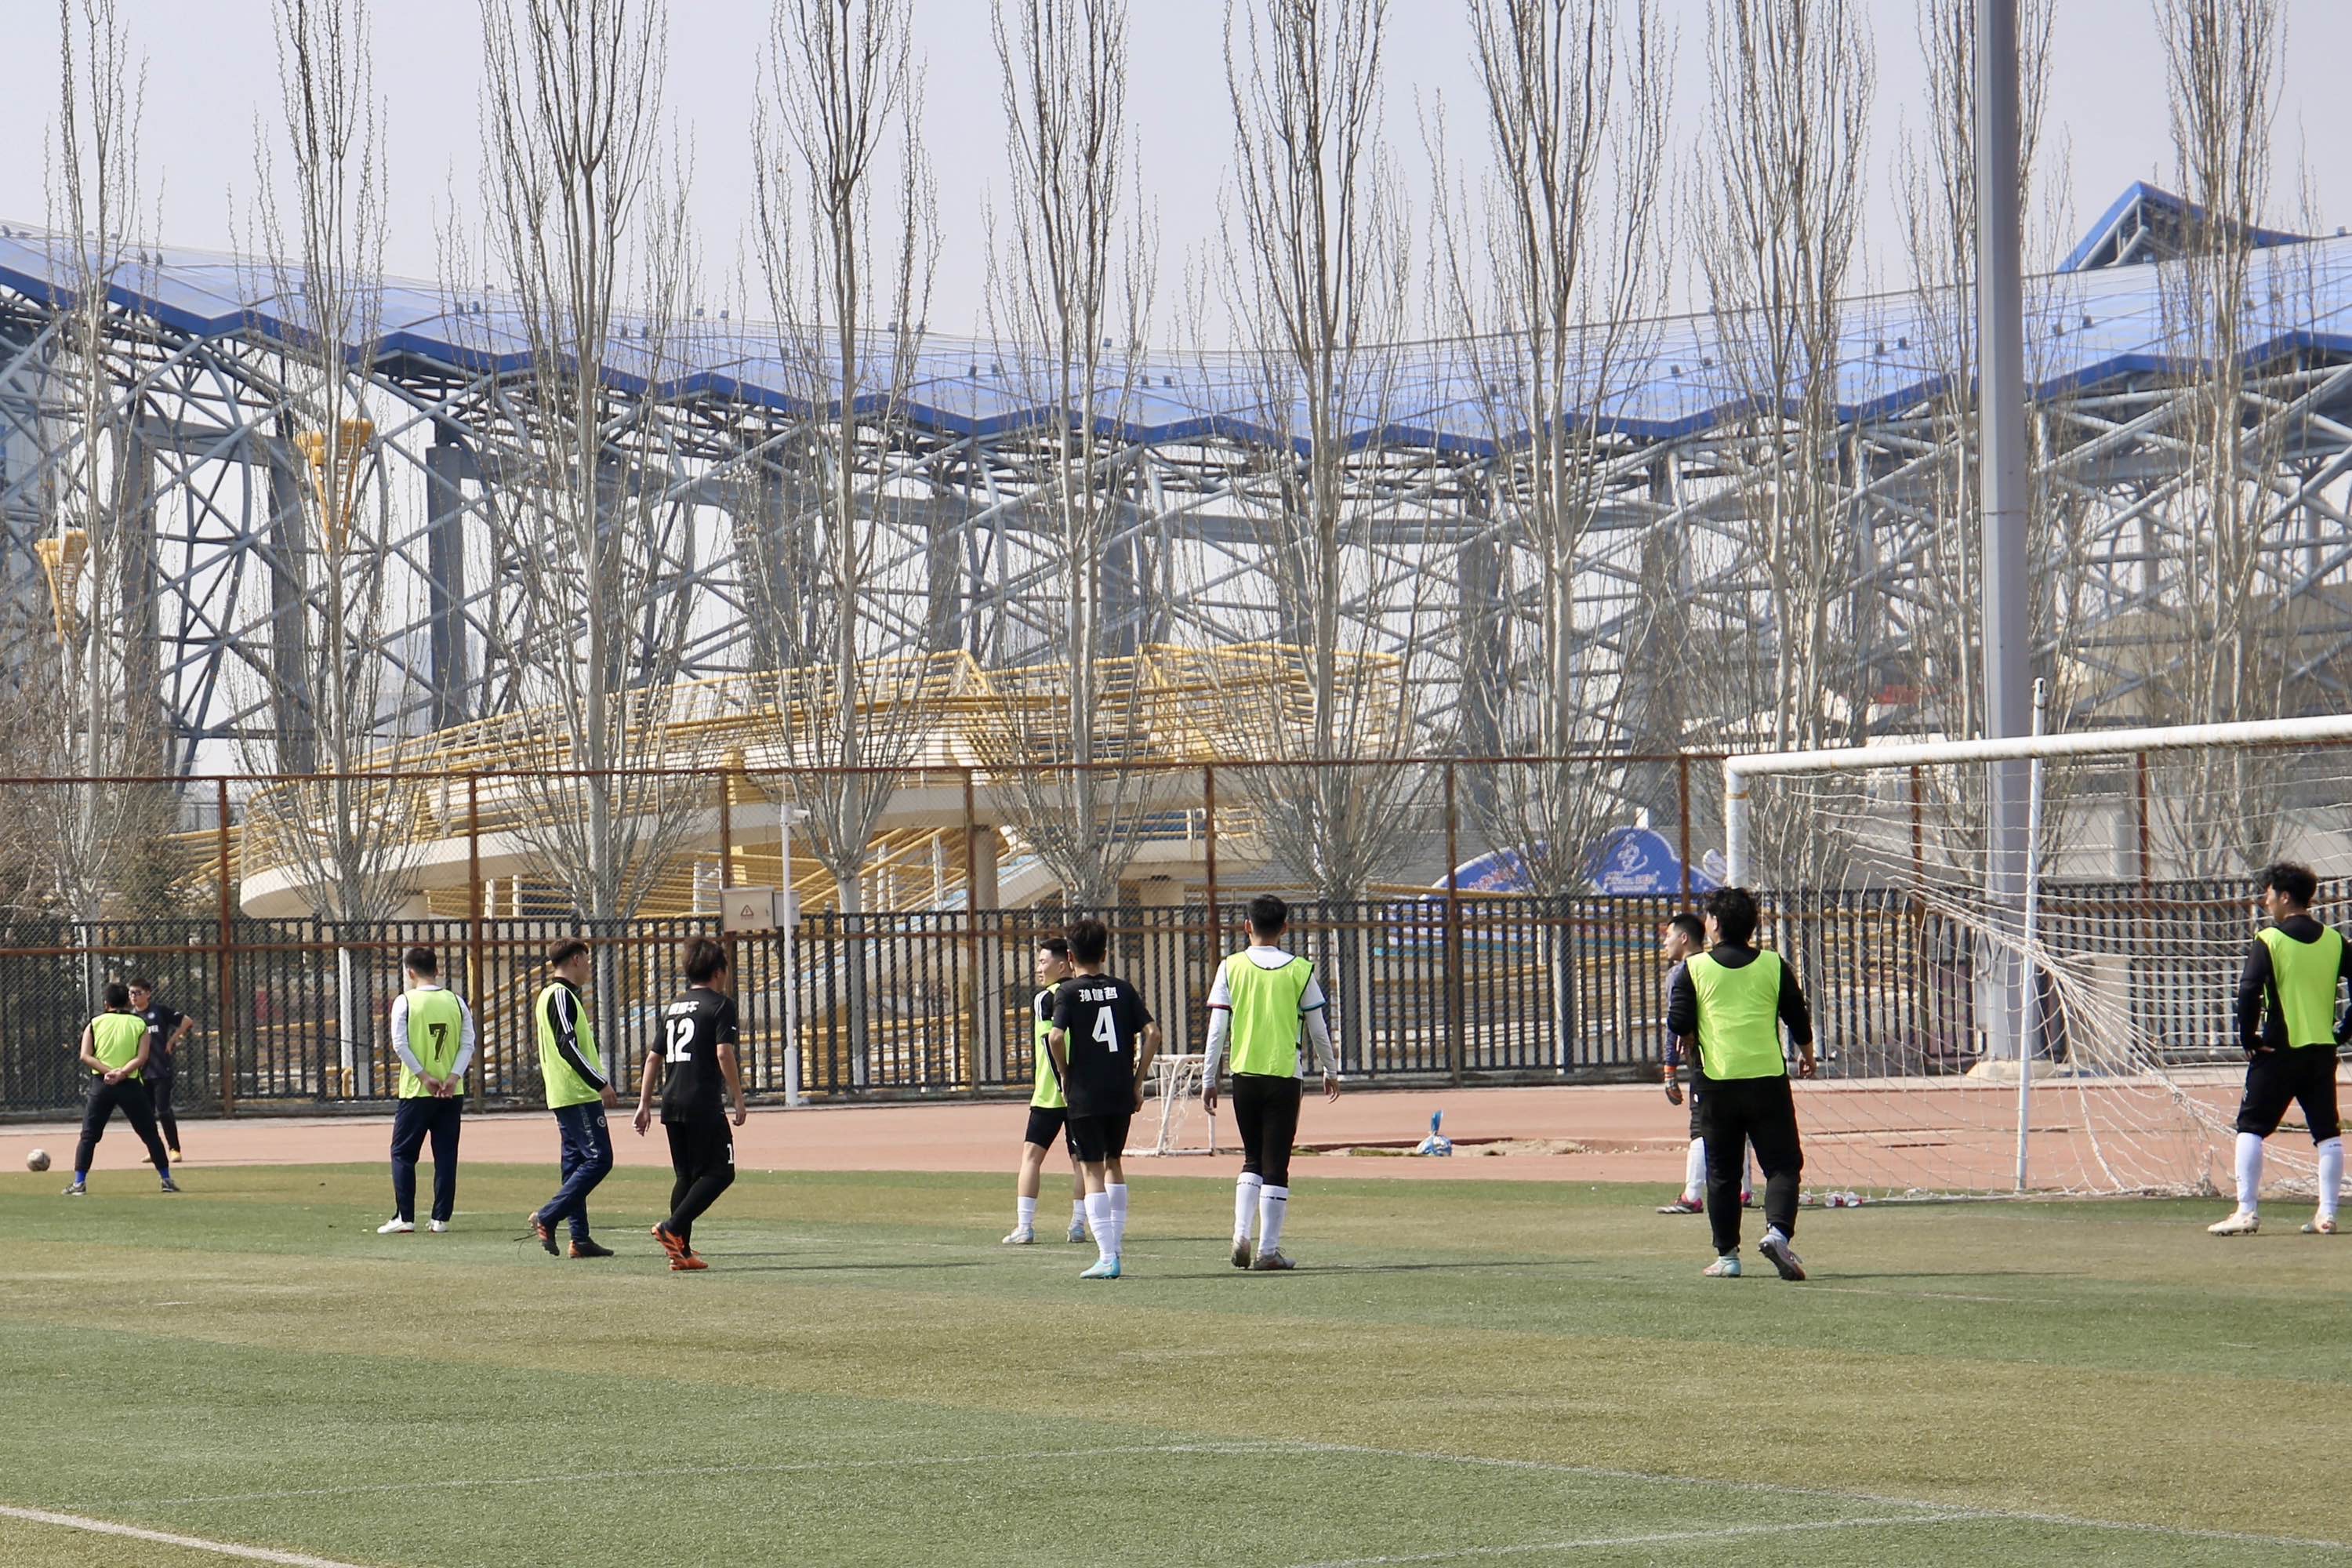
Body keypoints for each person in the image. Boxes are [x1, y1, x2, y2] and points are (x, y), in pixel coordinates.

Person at [1666, 886, 1815, 1280]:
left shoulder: (1695, 968)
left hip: (1716, 1081)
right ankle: (1777, 1233)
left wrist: (1690, 1035)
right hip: (1767, 1079)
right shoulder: (1772, 964)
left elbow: (1678, 1021)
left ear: (1714, 924)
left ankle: (1728, 1257)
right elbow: (1797, 1016)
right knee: (1782, 1165)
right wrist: (1808, 1054)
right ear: (1752, 925)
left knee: (1723, 1172)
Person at [2209, 861, 2349, 1237]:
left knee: (2250, 1127)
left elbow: (2248, 989)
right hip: (2321, 1052)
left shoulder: (2270, 939)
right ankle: (2327, 1214)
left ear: (2285, 896)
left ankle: (2246, 1211)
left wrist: (2248, 1038)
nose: (2265, 900)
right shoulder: (2335, 941)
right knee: (2327, 1132)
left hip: (2278, 1050)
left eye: (2268, 892)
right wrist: (2342, 1032)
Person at [1201, 894, 1340, 1271]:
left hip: (1244, 1074)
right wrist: (1330, 1070)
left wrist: (1209, 1077)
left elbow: (1217, 1029)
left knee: (1252, 1157)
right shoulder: (1300, 970)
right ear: (1285, 928)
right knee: (1276, 1163)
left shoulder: (1230, 966)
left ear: (1247, 926)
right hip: (1284, 1075)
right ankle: (1267, 1251)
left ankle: (1240, 1233)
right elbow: (1318, 1029)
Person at [1047, 917, 1160, 1280]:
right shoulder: (1123, 989)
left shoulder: (1068, 992)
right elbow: (1153, 1033)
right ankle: (1116, 1246)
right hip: (1119, 1089)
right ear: (1106, 954)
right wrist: (1138, 1081)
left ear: (1070, 957)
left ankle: (1108, 1256)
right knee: (1114, 1163)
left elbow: (1055, 1038)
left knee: (1091, 1167)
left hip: (1086, 1092)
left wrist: (1065, 1074)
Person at [637, 936, 747, 1271]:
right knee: (721, 1172)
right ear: (719, 971)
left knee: (685, 1176)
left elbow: (653, 1058)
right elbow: (723, 1052)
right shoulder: (721, 1005)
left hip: (671, 1102)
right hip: (702, 1101)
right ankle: (671, 1228)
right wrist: (738, 1096)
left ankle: (680, 1253)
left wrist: (644, 1104)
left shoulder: (674, 1006)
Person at [528, 940, 620, 1259]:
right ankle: (548, 1215)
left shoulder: (556, 995)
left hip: (567, 1093)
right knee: (599, 1159)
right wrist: (599, 1082)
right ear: (577, 959)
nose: (590, 968)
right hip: (576, 1092)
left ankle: (579, 1239)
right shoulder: (560, 995)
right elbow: (567, 1046)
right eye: (587, 961)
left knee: (575, 1164)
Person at [1657, 915, 1752, 1215]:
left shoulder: (1682, 972)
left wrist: (1670, 1068)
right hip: (1738, 1053)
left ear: (1684, 938)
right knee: (1739, 1121)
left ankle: (1692, 1195)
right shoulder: (1720, 965)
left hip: (1705, 1059)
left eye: (1669, 936)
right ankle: (1744, 1189)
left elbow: (1676, 1022)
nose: (1665, 943)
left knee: (1701, 1124)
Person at [380, 947, 475, 1236]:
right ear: (437, 969)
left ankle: (405, 1217)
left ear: (410, 972)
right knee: (445, 1154)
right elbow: (468, 1043)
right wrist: (453, 1077)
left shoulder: (405, 1001)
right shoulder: (456, 1002)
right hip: (451, 1092)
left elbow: (400, 1044)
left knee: (403, 1153)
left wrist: (424, 1076)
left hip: (416, 1092)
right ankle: (440, 1219)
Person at [1004, 936, 1091, 1247]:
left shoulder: (1047, 998)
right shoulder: (1084, 993)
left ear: (1063, 964)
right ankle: (1078, 1225)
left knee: (1031, 1156)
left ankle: (1025, 1226)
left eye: (1043, 962)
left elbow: (1050, 1041)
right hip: (1082, 1092)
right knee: (1081, 1161)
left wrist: (1061, 1082)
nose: (1039, 968)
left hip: (1052, 1093)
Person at [63, 982, 177, 1196]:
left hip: (102, 1085)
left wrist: (109, 1072)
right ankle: (166, 1180)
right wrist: (122, 1073)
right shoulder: (139, 1023)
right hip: (130, 1085)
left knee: (89, 1136)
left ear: (107, 1003)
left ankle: (79, 1183)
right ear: (127, 1002)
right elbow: (142, 1057)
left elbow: (85, 1055)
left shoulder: (94, 1023)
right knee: (150, 1133)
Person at [125, 978, 192, 1162]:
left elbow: (186, 1021)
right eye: (131, 993)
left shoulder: (159, 1011)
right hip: (141, 1073)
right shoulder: (130, 1017)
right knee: (146, 1114)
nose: (134, 997)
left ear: (148, 994)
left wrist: (172, 1040)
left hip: (161, 1070)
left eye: (138, 993)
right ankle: (154, 1149)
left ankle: (174, 1148)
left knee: (163, 1110)